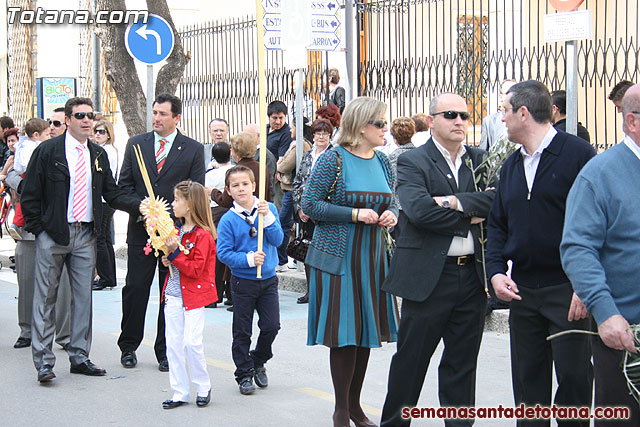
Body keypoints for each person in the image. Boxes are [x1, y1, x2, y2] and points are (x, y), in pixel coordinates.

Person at [380, 93, 495, 426]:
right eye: (450, 115)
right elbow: (418, 211)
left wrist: (451, 202)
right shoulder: (413, 160)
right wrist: (469, 213)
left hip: (471, 279)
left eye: (464, 115)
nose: (459, 121)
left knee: (462, 365)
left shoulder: (480, 159)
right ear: (431, 121)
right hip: (428, 278)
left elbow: (496, 202)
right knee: (411, 363)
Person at [487, 81, 595, 426]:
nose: (501, 118)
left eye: (505, 110)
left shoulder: (578, 155)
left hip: (568, 291)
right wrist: (495, 273)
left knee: (574, 384)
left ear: (523, 113)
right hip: (523, 294)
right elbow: (498, 225)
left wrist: (585, 285)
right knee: (528, 390)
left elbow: (598, 223)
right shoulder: (511, 166)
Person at [20, 97, 141, 382]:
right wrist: (41, 228)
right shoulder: (48, 151)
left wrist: (141, 206)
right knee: (45, 298)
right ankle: (44, 362)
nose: (87, 121)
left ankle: (79, 356)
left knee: (82, 298)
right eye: (80, 116)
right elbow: (30, 192)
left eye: (90, 116)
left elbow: (112, 193)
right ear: (69, 120)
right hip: (54, 233)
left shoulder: (97, 154)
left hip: (86, 233)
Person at [302, 97, 400, 427]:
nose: (386, 128)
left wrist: (392, 215)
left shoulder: (385, 161)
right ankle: (341, 409)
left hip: (373, 258)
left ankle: (356, 407)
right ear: (361, 127)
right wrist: (354, 214)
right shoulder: (334, 159)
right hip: (339, 256)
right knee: (345, 334)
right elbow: (309, 205)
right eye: (381, 124)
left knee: (365, 331)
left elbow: (394, 201)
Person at [561, 84, 640, 426]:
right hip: (624, 332)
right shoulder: (599, 175)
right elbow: (578, 248)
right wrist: (606, 313)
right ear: (633, 121)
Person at [118, 93, 205, 372]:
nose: (156, 118)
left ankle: (165, 349)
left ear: (176, 117)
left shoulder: (191, 149)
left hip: (174, 235)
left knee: (170, 292)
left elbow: (196, 191)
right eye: (154, 113)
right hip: (141, 231)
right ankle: (129, 345)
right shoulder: (137, 145)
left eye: (163, 114)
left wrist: (176, 223)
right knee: (135, 288)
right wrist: (142, 207)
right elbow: (123, 189)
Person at [216, 165, 283, 395]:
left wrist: (268, 218)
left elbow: (278, 239)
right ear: (228, 190)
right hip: (242, 282)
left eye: (245, 184)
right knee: (242, 330)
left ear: (254, 186)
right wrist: (248, 259)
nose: (241, 189)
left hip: (268, 280)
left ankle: (258, 360)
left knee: (271, 325)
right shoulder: (228, 220)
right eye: (235, 185)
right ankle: (243, 373)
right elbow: (223, 253)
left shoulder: (268, 209)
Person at [160, 181, 218, 409]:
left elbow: (195, 269)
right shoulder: (175, 231)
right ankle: (180, 391)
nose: (173, 204)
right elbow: (176, 263)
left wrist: (174, 254)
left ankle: (203, 386)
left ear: (190, 204)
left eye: (176, 200)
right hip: (174, 294)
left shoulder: (203, 235)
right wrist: (168, 257)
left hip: (194, 296)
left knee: (191, 343)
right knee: (173, 344)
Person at [291, 118, 333, 304]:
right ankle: (311, 291)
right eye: (318, 133)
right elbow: (298, 182)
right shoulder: (308, 157)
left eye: (325, 134)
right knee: (307, 251)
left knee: (324, 253)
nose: (321, 137)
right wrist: (301, 207)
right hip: (305, 214)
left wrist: (317, 209)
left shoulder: (334, 155)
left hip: (324, 213)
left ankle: (325, 291)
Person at [275, 117, 312, 272]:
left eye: (293, 127)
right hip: (289, 190)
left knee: (283, 223)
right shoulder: (298, 143)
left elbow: (285, 165)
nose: (290, 130)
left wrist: (279, 164)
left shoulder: (300, 144)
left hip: (292, 191)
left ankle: (282, 259)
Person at [205, 142, 234, 308]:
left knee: (216, 255)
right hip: (230, 211)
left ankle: (215, 294)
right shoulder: (233, 171)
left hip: (215, 212)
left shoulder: (210, 175)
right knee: (230, 251)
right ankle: (231, 294)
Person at [210, 132, 272, 209]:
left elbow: (225, 201)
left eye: (231, 148)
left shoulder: (236, 172)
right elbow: (269, 193)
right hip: (261, 211)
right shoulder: (262, 167)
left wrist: (213, 191)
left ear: (236, 151)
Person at [92, 120, 119, 291]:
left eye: (101, 132)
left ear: (108, 134)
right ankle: (109, 276)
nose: (97, 134)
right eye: (96, 131)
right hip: (106, 200)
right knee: (105, 239)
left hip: (103, 200)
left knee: (100, 239)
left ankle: (105, 276)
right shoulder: (107, 150)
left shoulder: (105, 151)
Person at [387, 117, 416, 240]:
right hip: (417, 205)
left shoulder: (394, 157)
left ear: (394, 137)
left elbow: (391, 184)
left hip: (401, 208)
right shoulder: (419, 153)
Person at [267, 100, 293, 209]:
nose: (278, 121)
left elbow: (281, 158)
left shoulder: (286, 133)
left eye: (281, 118)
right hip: (265, 173)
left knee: (277, 206)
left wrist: (275, 171)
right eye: (274, 118)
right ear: (269, 117)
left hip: (277, 176)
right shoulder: (265, 129)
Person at [480, 79, 516, 151]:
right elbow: (483, 153)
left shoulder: (526, 120)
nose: (512, 96)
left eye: (516, 93)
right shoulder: (489, 122)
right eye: (508, 93)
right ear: (500, 96)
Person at [244, 123, 277, 201]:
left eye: (247, 136)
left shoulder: (265, 156)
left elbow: (269, 183)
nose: (244, 139)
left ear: (258, 135)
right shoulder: (250, 153)